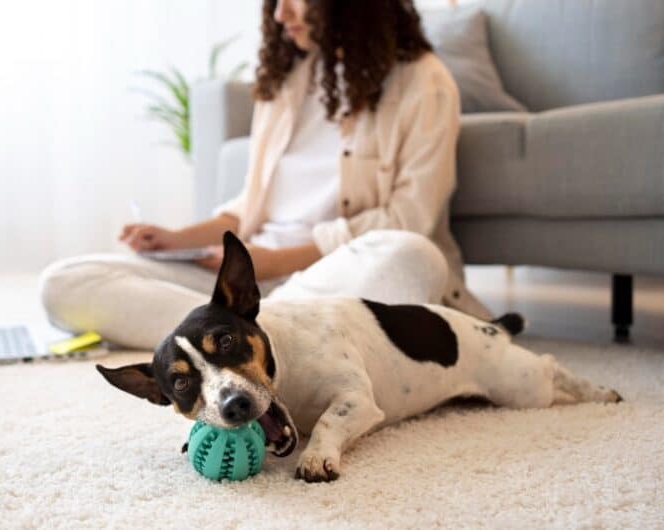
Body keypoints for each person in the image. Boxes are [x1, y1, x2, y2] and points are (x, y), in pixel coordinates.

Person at [40, 0, 492, 350]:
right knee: (64, 284)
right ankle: (260, 335)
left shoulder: (424, 82)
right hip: (248, 283)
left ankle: (230, 332)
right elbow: (248, 209)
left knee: (414, 257)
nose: (280, 14)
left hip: (332, 278)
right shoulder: (285, 84)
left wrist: (273, 263)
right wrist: (177, 239)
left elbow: (409, 220)